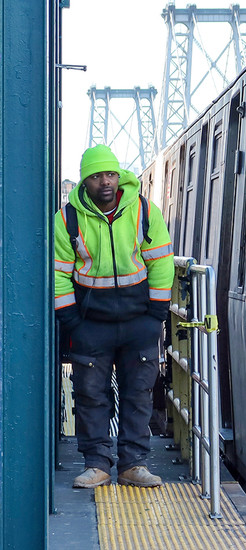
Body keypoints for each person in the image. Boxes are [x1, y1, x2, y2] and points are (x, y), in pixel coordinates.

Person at [53, 145, 174, 489]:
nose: (104, 182)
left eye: (109, 174)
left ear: (118, 176)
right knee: (91, 394)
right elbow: (59, 272)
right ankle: (97, 464)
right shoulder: (66, 220)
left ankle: (133, 465)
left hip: (140, 320)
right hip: (91, 323)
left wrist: (157, 312)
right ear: (85, 182)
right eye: (96, 176)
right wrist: (70, 318)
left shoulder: (144, 211)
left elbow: (161, 261)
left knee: (139, 393)